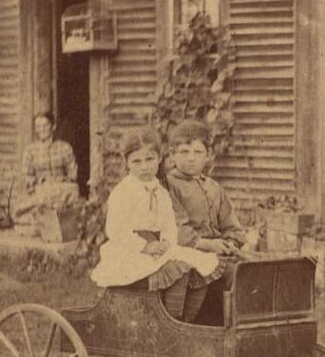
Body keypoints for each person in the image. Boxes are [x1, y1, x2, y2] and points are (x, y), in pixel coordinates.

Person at [90, 128, 220, 293]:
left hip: (158, 247)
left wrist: (166, 242)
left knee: (198, 265)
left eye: (150, 159)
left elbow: (169, 226)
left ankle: (186, 317)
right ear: (126, 162)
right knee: (177, 270)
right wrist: (145, 246)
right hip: (130, 250)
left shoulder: (161, 192)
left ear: (159, 158)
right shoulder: (123, 192)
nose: (144, 167)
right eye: (137, 162)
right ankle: (171, 315)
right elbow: (116, 230)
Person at [163, 119, 248, 323]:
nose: (191, 159)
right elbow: (177, 230)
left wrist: (231, 243)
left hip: (219, 252)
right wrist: (210, 245)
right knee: (235, 275)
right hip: (190, 253)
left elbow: (231, 225)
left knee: (254, 269)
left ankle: (249, 328)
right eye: (184, 152)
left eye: (198, 152)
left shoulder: (214, 187)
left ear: (208, 156)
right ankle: (219, 328)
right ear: (172, 154)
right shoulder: (169, 186)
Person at [10, 111, 80, 237]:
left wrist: (64, 179)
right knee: (41, 197)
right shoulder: (30, 151)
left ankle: (50, 220)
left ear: (53, 126)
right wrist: (37, 181)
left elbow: (73, 172)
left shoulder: (64, 148)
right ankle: (41, 219)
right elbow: (26, 175)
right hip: (39, 189)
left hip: (60, 190)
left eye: (45, 125)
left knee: (73, 191)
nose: (41, 129)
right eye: (38, 127)